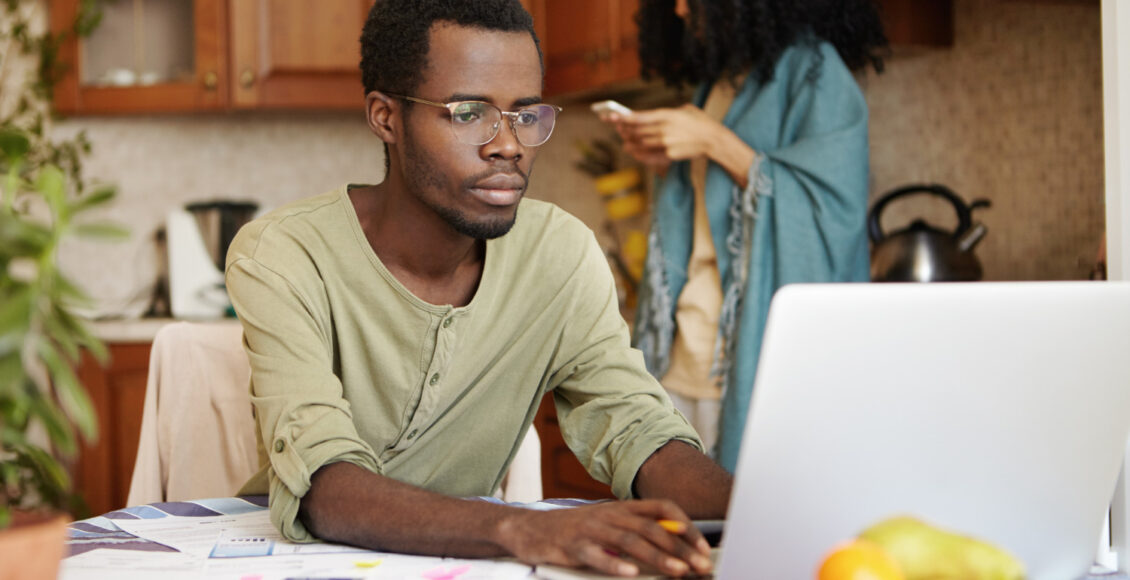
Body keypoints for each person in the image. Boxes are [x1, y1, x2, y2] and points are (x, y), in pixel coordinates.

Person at [224, 0, 732, 577]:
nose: (509, 145)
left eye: (525, 114)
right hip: (296, 562)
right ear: (385, 117)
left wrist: (761, 510)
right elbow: (324, 484)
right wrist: (526, 529)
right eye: (469, 113)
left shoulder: (558, 254)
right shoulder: (284, 254)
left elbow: (636, 427)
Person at [602, 0, 888, 471]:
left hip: (753, 364)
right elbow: (708, 207)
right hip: (682, 359)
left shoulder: (815, 70)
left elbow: (834, 212)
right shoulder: (718, 84)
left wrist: (713, 141)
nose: (678, 8)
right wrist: (664, 161)